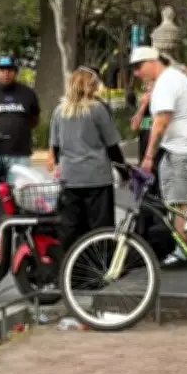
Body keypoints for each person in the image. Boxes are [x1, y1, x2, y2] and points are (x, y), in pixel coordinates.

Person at [131, 46, 187, 268]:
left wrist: (148, 156)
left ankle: (184, 251)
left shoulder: (166, 82)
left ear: (152, 62)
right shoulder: (172, 78)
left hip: (182, 150)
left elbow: (161, 122)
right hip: (176, 148)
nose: (136, 73)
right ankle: (179, 245)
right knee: (173, 201)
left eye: (138, 67)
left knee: (180, 203)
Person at [46, 66, 127, 252]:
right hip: (97, 178)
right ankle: (99, 266)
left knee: (72, 228)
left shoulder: (60, 111)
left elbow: (55, 148)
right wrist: (124, 170)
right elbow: (112, 145)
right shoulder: (97, 109)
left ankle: (72, 267)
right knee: (100, 228)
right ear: (90, 85)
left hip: (70, 179)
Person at [0, 56, 41, 190]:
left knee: (20, 194)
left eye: (10, 70)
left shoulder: (28, 93)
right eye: (2, 70)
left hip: (19, 153)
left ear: (15, 72)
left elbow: (35, 119)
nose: (6, 73)